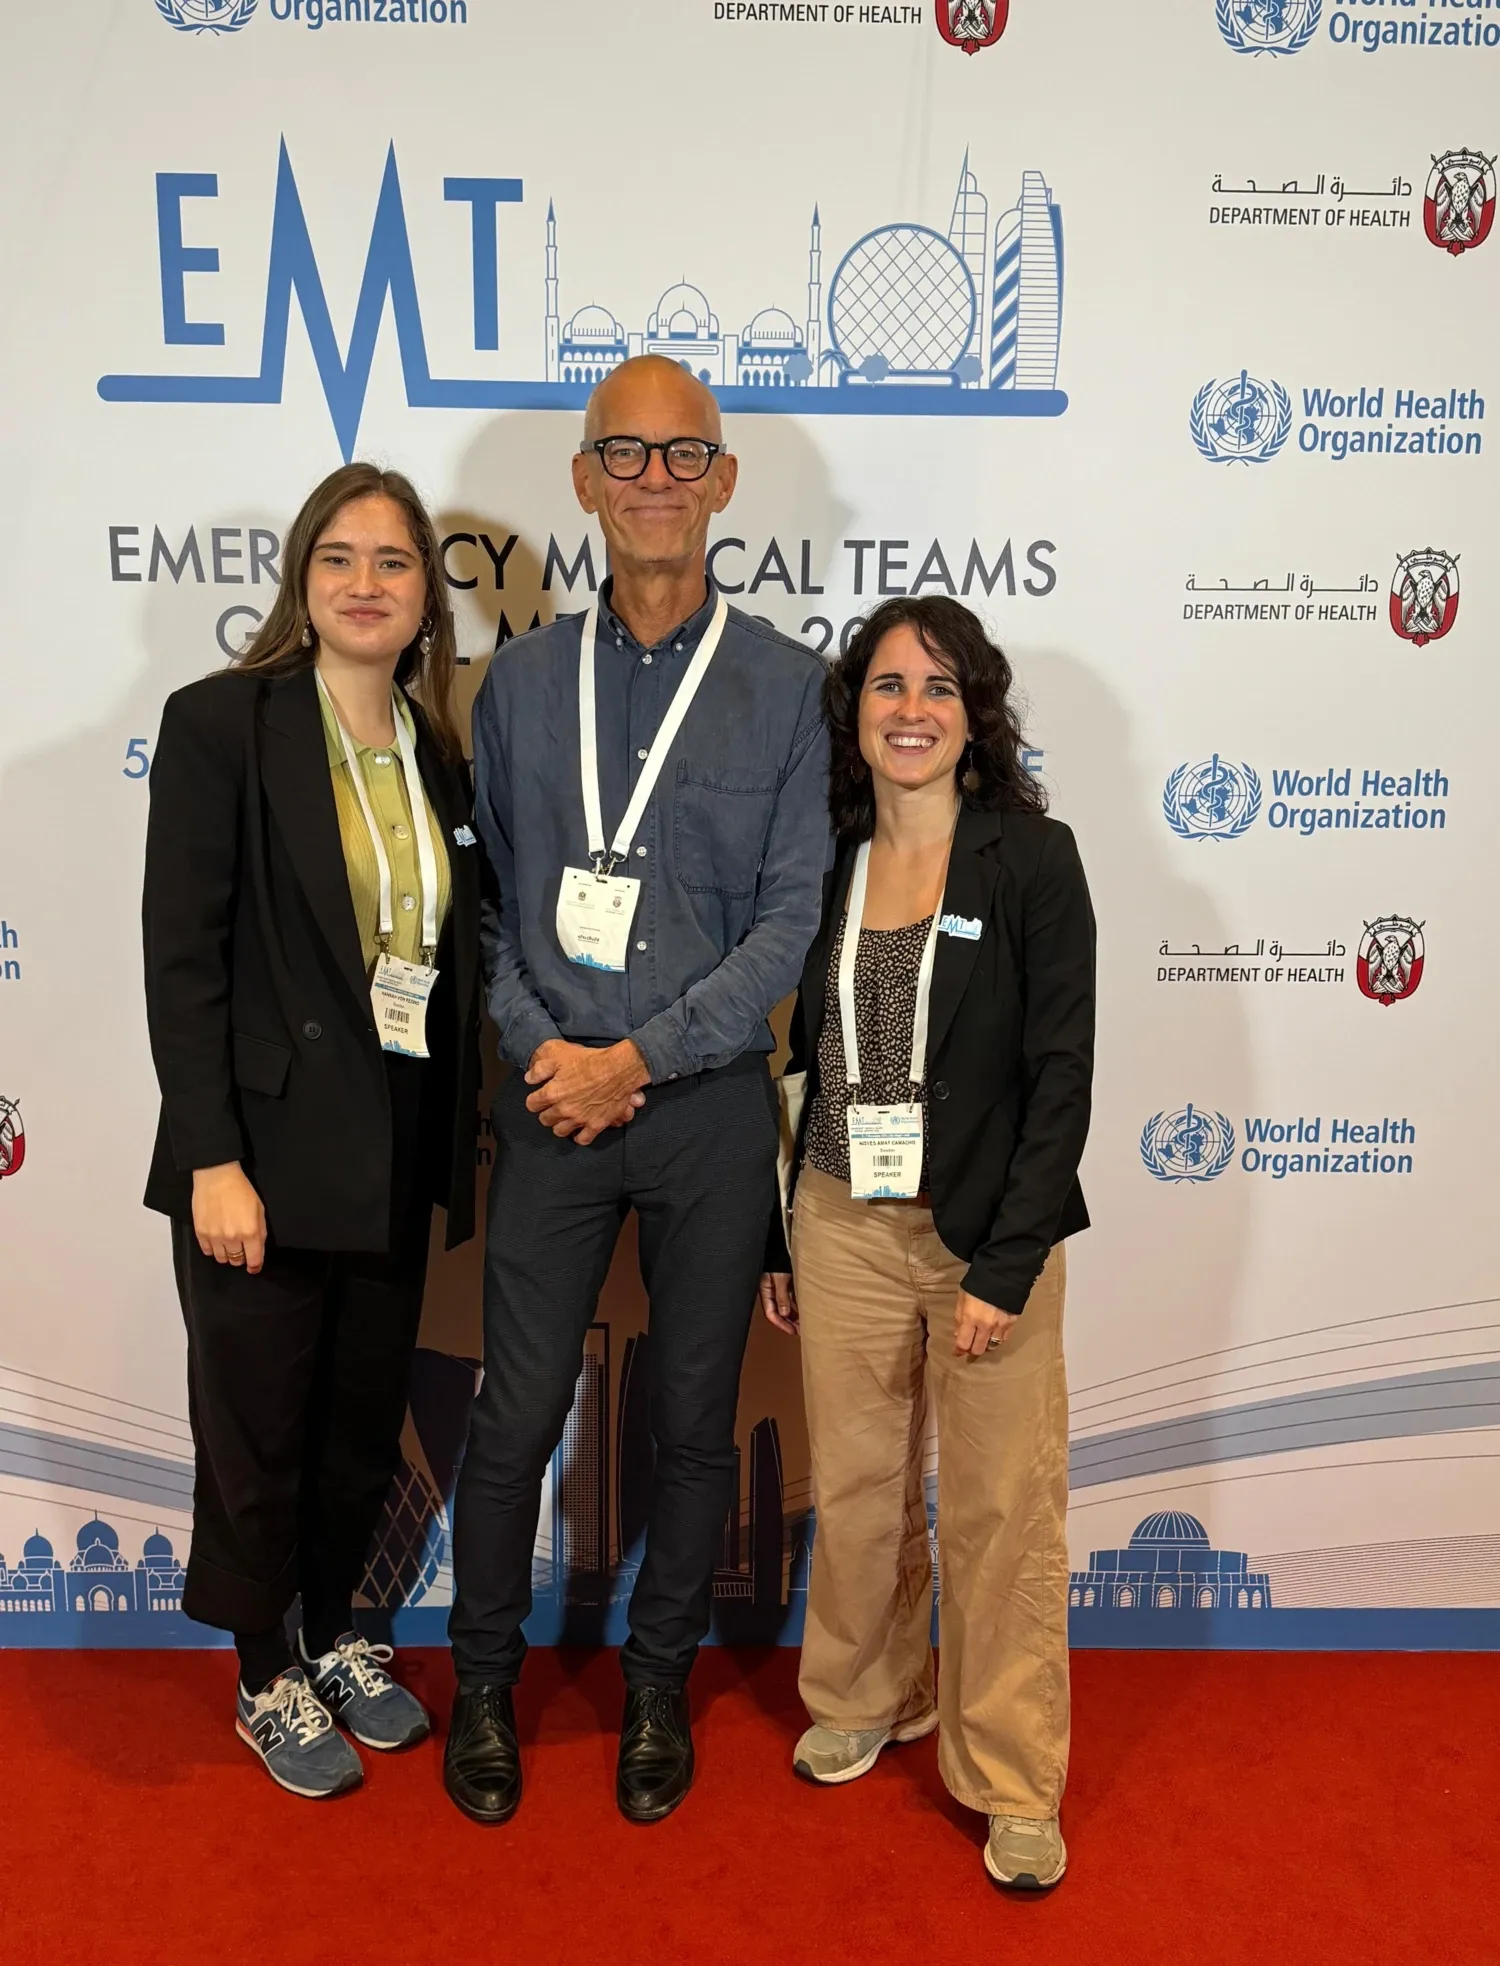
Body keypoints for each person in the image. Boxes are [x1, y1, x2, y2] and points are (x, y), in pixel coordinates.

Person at [446, 355, 830, 1826]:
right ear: (585, 480)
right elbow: (485, 908)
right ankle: (483, 1679)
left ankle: (656, 1682)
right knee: (516, 1414)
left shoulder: (794, 690)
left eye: (685, 457)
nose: (656, 481)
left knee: (688, 1418)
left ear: (726, 482)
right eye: (628, 454)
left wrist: (641, 1060)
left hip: (711, 1109)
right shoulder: (522, 685)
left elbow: (790, 924)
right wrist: (556, 1049)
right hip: (549, 1101)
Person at [142, 463, 481, 1799]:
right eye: (338, 557)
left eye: (392, 562)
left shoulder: (432, 745)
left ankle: (340, 1630)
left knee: (354, 1420)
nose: (364, 582)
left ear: (422, 595)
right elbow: (187, 960)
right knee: (257, 1423)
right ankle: (264, 1667)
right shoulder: (225, 723)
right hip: (264, 1155)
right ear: (302, 578)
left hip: (395, 1139)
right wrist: (211, 1156)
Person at [760, 596, 1094, 1890]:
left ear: (977, 713)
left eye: (939, 687)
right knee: (854, 1487)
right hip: (839, 1216)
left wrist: (1005, 1266)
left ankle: (1013, 1776)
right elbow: (799, 1059)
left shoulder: (1030, 857)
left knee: (1002, 1511)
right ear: (856, 711)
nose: (911, 708)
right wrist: (785, 1231)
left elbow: (1060, 1074)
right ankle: (861, 1692)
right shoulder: (823, 854)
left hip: (985, 1231)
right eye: (889, 684)